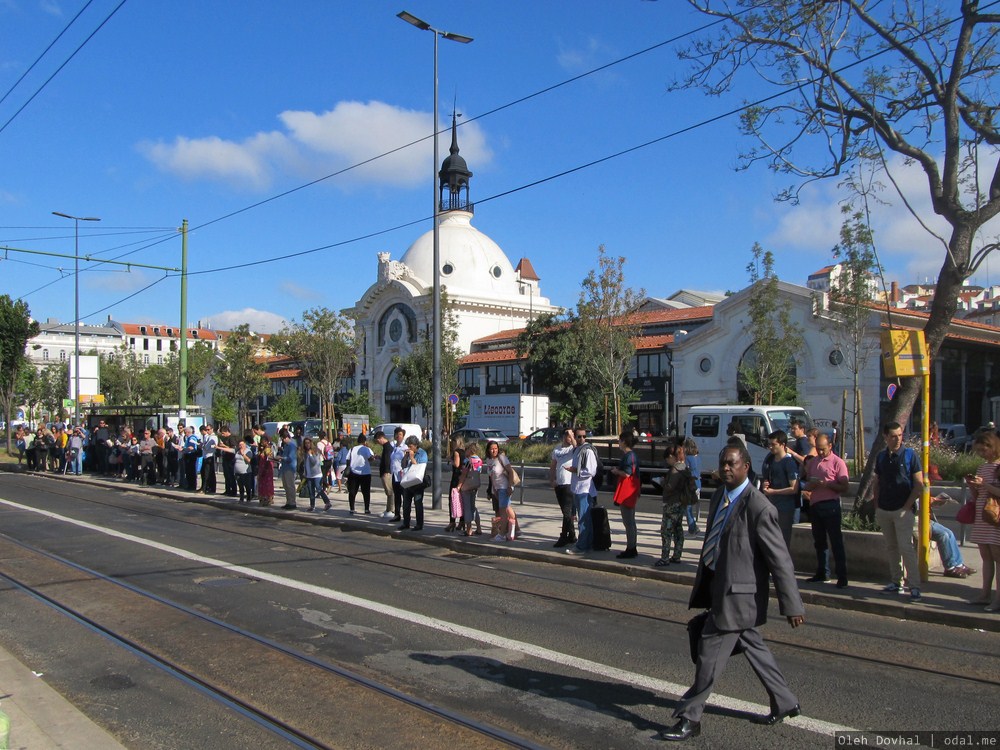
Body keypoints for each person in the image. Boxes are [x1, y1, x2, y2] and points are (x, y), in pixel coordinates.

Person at [661, 444, 804, 742]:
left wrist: (792, 604)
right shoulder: (719, 497)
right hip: (719, 587)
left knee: (709, 655)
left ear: (746, 466)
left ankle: (690, 716)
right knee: (753, 646)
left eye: (732, 464)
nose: (726, 468)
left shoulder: (759, 507)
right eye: (723, 463)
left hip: (738, 596)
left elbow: (780, 560)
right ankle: (786, 701)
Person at [873, 422, 924, 601]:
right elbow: (877, 480)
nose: (897, 439)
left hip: (902, 509)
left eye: (900, 435)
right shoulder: (881, 457)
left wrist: (907, 506)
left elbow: (919, 484)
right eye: (893, 436)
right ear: (886, 437)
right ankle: (896, 581)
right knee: (891, 547)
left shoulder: (910, 455)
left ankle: (915, 585)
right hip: (885, 508)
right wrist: (877, 504)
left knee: (906, 547)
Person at [803, 433, 849, 588]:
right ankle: (822, 571)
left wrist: (827, 484)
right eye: (818, 449)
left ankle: (842, 576)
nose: (820, 452)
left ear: (830, 446)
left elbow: (844, 486)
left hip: (831, 506)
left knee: (836, 541)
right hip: (816, 505)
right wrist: (811, 486)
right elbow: (808, 482)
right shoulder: (813, 462)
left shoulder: (838, 463)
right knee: (819, 542)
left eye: (823, 449)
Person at [966, 430, 1000, 610]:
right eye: (978, 451)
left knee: (997, 556)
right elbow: (978, 495)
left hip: (995, 517)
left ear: (992, 448)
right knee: (986, 556)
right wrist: (973, 486)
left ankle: (997, 598)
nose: (981, 454)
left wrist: (984, 485)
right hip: (982, 514)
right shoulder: (982, 467)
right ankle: (984, 593)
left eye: (983, 450)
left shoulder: (998, 466)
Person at [657, 438, 693, 567]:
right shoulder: (685, 468)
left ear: (672, 457)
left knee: (666, 531)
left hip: (671, 503)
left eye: (668, 459)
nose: (667, 461)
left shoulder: (674, 470)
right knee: (678, 530)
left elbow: (669, 488)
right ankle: (677, 555)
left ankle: (664, 557)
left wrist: (662, 482)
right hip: (682, 502)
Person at [760, 430, 799, 550]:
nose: (771, 447)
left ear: (782, 445)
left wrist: (774, 492)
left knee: (783, 540)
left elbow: (794, 488)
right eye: (769, 444)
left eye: (774, 444)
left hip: (785, 508)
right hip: (772, 505)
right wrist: (765, 485)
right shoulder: (771, 460)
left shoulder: (789, 462)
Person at [565, 428, 598, 555]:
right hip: (578, 488)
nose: (582, 439)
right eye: (579, 436)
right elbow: (573, 443)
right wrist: (570, 435)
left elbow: (591, 471)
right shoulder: (577, 449)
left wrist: (575, 470)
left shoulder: (587, 451)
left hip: (585, 489)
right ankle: (585, 543)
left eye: (584, 436)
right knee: (582, 518)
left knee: (584, 519)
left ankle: (582, 546)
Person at [928, 495, 976, 577]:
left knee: (949, 533)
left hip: (927, 519)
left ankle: (959, 565)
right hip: (917, 520)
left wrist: (934, 501)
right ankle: (950, 567)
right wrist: (929, 501)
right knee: (943, 535)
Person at [612, 430, 640, 560]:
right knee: (630, 521)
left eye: (619, 440)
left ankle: (631, 547)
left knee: (628, 521)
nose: (618, 442)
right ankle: (632, 546)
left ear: (623, 441)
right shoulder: (632, 455)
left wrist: (617, 471)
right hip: (631, 490)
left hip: (627, 491)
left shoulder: (628, 456)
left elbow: (627, 474)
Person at [550, 429, 577, 548]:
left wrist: (572, 436)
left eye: (570, 435)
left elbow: (578, 448)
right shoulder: (557, 449)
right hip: (559, 484)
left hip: (569, 483)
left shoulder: (572, 449)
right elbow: (553, 466)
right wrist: (552, 480)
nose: (568, 437)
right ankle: (571, 535)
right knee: (566, 512)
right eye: (566, 435)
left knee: (567, 512)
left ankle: (564, 536)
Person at [399, 435, 428, 530]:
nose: (409, 448)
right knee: (406, 504)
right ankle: (406, 522)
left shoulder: (422, 454)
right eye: (408, 446)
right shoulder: (408, 453)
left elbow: (419, 467)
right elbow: (403, 465)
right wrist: (405, 457)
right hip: (408, 482)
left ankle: (419, 524)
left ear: (416, 445)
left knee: (418, 503)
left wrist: (412, 457)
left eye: (410, 446)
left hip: (417, 483)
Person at [343, 433, 374, 515]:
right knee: (366, 492)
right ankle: (366, 509)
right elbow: (371, 459)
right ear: (365, 441)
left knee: (352, 492)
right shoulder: (367, 449)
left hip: (353, 473)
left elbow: (347, 460)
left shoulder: (352, 449)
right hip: (366, 473)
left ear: (358, 441)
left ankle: (352, 509)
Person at [458, 442, 484, 536]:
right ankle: (479, 527)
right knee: (473, 507)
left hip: (466, 485)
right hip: (475, 485)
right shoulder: (479, 460)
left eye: (466, 449)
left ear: (470, 450)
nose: (465, 451)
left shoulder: (467, 461)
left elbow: (464, 474)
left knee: (467, 507)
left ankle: (469, 529)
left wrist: (459, 486)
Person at [301, 437, 332, 512]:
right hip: (309, 475)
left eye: (308, 443)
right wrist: (305, 472)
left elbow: (314, 462)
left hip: (316, 474)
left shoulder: (315, 451)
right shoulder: (305, 453)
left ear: (311, 443)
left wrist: (310, 455)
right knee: (311, 491)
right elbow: (306, 463)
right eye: (305, 443)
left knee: (318, 489)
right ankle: (312, 506)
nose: (307, 445)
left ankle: (327, 502)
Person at [485, 440, 514, 516]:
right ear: (488, 450)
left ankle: (515, 527)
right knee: (497, 510)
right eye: (492, 449)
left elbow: (510, 472)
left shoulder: (502, 458)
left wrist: (510, 486)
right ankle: (499, 526)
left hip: (503, 487)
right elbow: (490, 476)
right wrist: (490, 490)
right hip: (495, 489)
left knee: (505, 509)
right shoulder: (488, 460)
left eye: (496, 448)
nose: (494, 451)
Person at [374, 431, 396, 519]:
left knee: (390, 492)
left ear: (381, 438)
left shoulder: (387, 447)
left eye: (377, 440)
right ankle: (388, 509)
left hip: (386, 472)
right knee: (388, 492)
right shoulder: (386, 447)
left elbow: (388, 460)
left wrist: (386, 471)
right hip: (385, 471)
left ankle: (391, 510)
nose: (377, 443)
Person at [447, 435, 466, 532]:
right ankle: (462, 521)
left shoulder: (456, 452)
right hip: (463, 477)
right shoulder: (464, 452)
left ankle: (452, 521)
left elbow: (457, 464)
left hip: (456, 478)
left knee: (452, 499)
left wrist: (450, 460)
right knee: (461, 500)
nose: (452, 444)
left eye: (453, 442)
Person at [684, 438, 702, 535]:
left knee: (687, 507)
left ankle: (692, 527)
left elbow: (685, 470)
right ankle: (693, 526)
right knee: (689, 506)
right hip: (698, 483)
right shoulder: (698, 457)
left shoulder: (688, 458)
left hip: (691, 484)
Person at [389, 427, 407, 522]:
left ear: (403, 436)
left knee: (404, 495)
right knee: (397, 495)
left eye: (400, 434)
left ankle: (406, 515)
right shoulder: (394, 447)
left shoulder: (405, 448)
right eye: (397, 434)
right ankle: (397, 514)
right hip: (394, 474)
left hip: (402, 475)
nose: (398, 436)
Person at [216, 425, 239, 497]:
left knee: (231, 475)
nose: (222, 435)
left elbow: (233, 449)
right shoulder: (225, 438)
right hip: (225, 458)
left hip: (231, 458)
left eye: (223, 433)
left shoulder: (232, 438)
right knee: (226, 475)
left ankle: (233, 491)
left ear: (227, 432)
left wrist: (223, 446)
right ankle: (228, 490)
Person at [278, 428, 298, 510]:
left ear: (286, 437)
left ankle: (292, 502)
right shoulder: (286, 445)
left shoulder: (292, 445)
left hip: (290, 467)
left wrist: (281, 458)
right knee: (286, 486)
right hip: (285, 467)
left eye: (282, 438)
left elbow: (290, 458)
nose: (282, 440)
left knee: (290, 486)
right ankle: (288, 501)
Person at [257, 434, 275, 506]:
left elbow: (269, 459)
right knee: (262, 483)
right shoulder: (262, 449)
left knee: (267, 484)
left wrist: (265, 468)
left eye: (263, 442)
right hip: (262, 468)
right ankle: (262, 498)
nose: (262, 443)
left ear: (267, 442)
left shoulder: (268, 449)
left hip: (267, 469)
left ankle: (268, 498)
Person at [200, 425, 218, 495]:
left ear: (212, 429)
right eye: (206, 430)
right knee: (204, 472)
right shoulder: (208, 437)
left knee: (208, 473)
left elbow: (207, 447)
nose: (207, 431)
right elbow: (204, 446)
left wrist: (203, 446)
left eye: (208, 429)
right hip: (205, 456)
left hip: (210, 456)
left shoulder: (213, 437)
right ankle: (205, 487)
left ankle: (207, 488)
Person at [182, 426, 201, 492]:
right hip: (188, 455)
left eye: (185, 432)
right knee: (188, 471)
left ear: (188, 432)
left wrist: (183, 449)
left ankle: (192, 486)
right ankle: (189, 485)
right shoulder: (189, 438)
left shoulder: (192, 438)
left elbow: (192, 448)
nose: (185, 434)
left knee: (191, 471)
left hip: (191, 456)